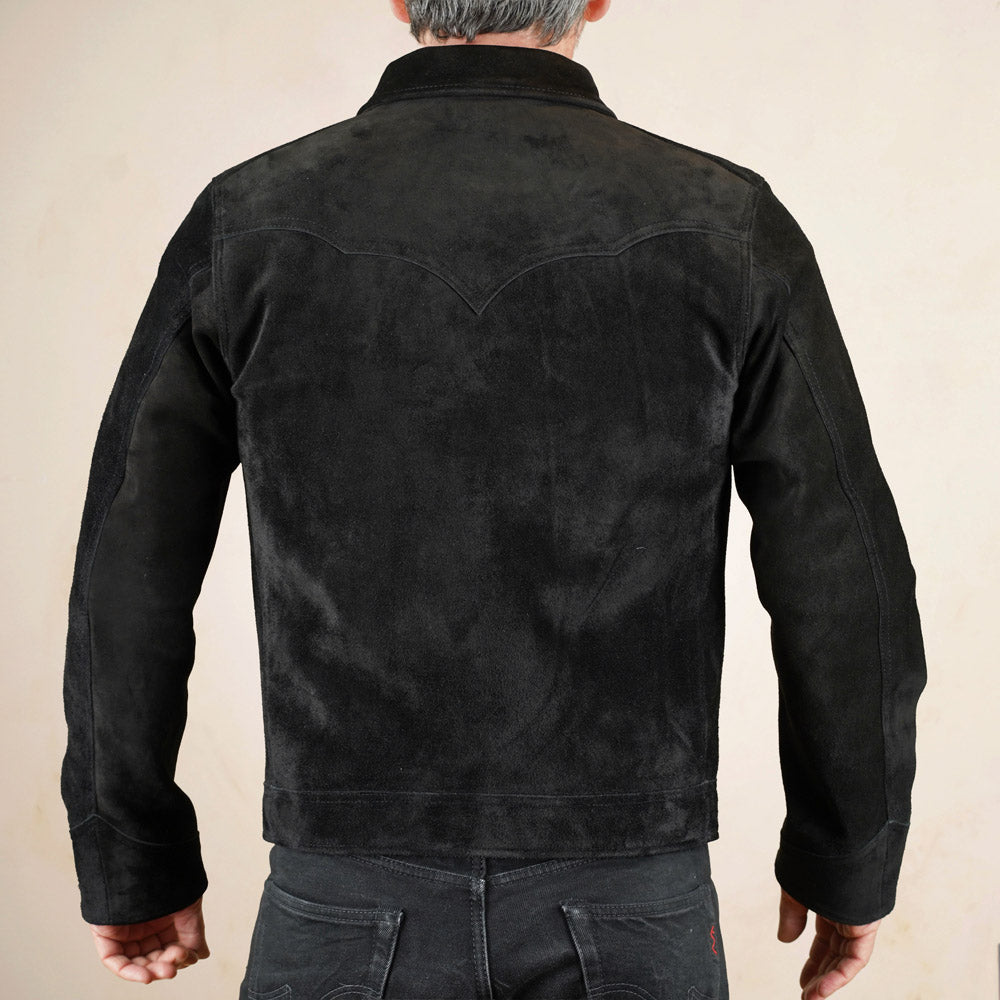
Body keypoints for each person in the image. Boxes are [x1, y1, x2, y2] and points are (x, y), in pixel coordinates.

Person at [61, 2, 927, 998]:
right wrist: (847, 853)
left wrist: (131, 856)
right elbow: (842, 575)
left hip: (344, 889)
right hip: (628, 892)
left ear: (400, 0)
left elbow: (128, 568)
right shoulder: (722, 221)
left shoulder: (247, 218)